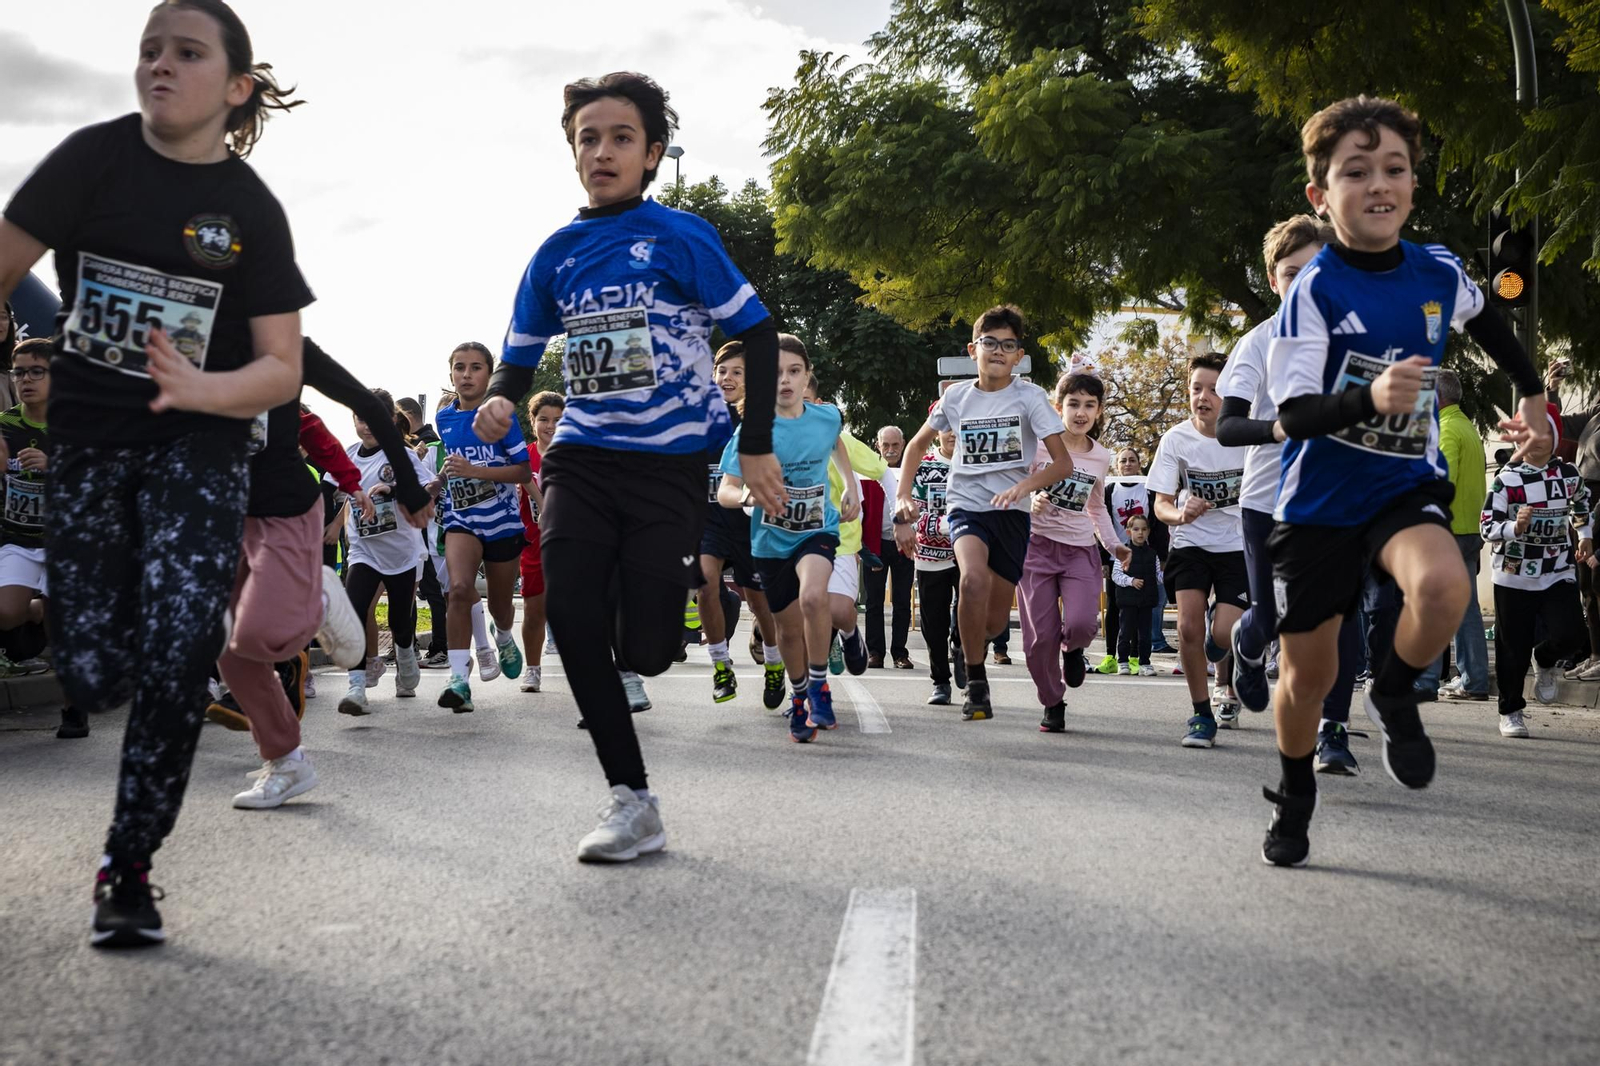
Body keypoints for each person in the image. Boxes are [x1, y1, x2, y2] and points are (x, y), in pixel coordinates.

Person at [0, 0, 321, 946]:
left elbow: (283, 368)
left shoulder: (250, 210)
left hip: (197, 450)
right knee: (96, 672)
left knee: (184, 653)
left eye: (186, 52)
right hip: (89, 449)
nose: (159, 66)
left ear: (237, 87)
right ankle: (101, 641)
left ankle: (129, 867)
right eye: (148, 51)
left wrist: (205, 388)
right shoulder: (91, 160)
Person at [478, 71, 784, 862]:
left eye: (621, 138)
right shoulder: (556, 254)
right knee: (571, 609)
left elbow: (756, 332)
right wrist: (503, 401)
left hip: (668, 466)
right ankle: (631, 798)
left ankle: (637, 608)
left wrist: (753, 442)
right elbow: (519, 355)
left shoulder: (682, 236)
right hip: (581, 457)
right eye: (588, 138)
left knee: (646, 650)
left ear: (651, 154)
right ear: (573, 151)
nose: (602, 152)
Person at [1261, 95, 1550, 867]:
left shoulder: (1437, 270)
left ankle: (1392, 690)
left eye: (1394, 168)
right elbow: (1294, 413)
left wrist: (1531, 394)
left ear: (1413, 185)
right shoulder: (1314, 289)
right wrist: (1370, 398)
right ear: (1321, 195)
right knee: (1309, 675)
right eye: (1356, 172)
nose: (1379, 184)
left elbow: (1486, 322)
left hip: (1400, 486)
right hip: (1319, 502)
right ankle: (1295, 791)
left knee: (1446, 586)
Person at [1215, 215, 1364, 776]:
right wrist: (1281, 428)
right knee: (1275, 615)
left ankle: (1334, 732)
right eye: (1291, 273)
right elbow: (1228, 427)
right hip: (1269, 501)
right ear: (1273, 281)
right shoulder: (1258, 343)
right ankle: (1250, 640)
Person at [895, 305, 1071, 721]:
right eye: (990, 343)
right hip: (966, 505)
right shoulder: (956, 397)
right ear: (973, 349)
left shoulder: (1029, 398)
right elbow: (916, 446)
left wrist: (1024, 486)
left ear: (1018, 356)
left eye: (1008, 345)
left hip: (1011, 513)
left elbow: (1063, 464)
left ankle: (967, 643)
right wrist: (902, 497)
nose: (998, 351)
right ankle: (976, 682)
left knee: (993, 622)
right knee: (972, 579)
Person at [718, 344, 857, 741]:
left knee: (814, 597)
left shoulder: (827, 417)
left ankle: (819, 686)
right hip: (770, 541)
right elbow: (726, 489)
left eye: (794, 371)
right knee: (788, 630)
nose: (785, 380)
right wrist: (748, 497)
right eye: (776, 372)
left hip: (817, 528)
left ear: (806, 375)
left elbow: (835, 442)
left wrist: (850, 486)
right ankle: (799, 696)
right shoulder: (753, 432)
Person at [1019, 373, 1129, 733]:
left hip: (1079, 550)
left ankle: (1074, 650)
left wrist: (1113, 544)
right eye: (1073, 404)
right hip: (1035, 549)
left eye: (1089, 405)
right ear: (1058, 407)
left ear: (1098, 411)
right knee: (1039, 640)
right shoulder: (1036, 447)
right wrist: (1029, 500)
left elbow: (1096, 507)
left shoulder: (1101, 456)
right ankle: (1052, 701)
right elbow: (1014, 487)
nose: (1081, 413)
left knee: (1082, 623)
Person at [1148, 353, 1249, 745]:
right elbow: (1160, 504)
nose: (1203, 397)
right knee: (1188, 627)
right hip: (1191, 543)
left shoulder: (1247, 437)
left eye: (1214, 390)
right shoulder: (1176, 439)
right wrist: (1180, 514)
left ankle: (1218, 644)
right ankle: (1201, 715)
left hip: (1237, 545)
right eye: (1196, 388)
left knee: (1222, 633)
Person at [436, 342, 529, 712]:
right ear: (451, 374)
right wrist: (437, 483)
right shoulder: (444, 418)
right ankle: (459, 678)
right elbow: (452, 465)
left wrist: (476, 471)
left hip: (502, 522)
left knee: (501, 607)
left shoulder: (501, 418)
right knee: (458, 589)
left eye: (476, 367)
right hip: (461, 518)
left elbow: (522, 471)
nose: (466, 374)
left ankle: (503, 635)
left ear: (489, 375)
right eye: (460, 367)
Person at [337, 388, 439, 715]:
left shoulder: (402, 455)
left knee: (399, 619)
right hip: (364, 550)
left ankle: (405, 654)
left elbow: (429, 488)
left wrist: (393, 490)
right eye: (360, 419)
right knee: (354, 610)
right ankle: (356, 687)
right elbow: (328, 491)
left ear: (391, 420)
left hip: (401, 552)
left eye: (374, 419)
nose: (366, 426)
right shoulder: (348, 456)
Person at [696, 342, 785, 707]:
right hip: (709, 521)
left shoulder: (763, 420)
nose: (727, 378)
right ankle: (721, 666)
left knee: (760, 603)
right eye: (722, 371)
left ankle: (774, 664)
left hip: (752, 524)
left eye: (737, 372)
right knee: (705, 584)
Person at [1482, 445, 1590, 736]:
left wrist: (1584, 534)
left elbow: (1581, 501)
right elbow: (1487, 526)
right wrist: (1514, 527)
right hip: (1513, 574)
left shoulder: (1568, 474)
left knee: (1572, 634)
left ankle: (1544, 658)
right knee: (1512, 647)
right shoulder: (1507, 479)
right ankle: (1510, 711)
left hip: (1557, 569)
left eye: (1544, 431)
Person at [0, 339, 74, 732]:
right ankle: (34, 608)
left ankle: (73, 709)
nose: (25, 379)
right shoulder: (5, 425)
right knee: (6, 613)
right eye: (19, 372)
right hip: (19, 539)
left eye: (36, 371)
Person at [1420, 370, 1492, 700]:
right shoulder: (1466, 427)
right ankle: (1474, 679)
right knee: (1465, 609)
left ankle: (1426, 680)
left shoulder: (1446, 429)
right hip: (1469, 529)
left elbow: (1442, 481)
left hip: (1447, 530)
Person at [910, 417, 962, 703]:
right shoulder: (922, 466)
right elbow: (913, 511)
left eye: (958, 426)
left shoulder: (977, 464)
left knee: (971, 610)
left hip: (970, 552)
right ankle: (941, 681)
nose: (952, 433)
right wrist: (947, 525)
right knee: (934, 622)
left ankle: (962, 648)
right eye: (946, 427)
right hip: (930, 555)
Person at [518, 391, 561, 693]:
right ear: (532, 421)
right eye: (544, 419)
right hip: (533, 545)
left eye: (558, 420)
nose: (551, 426)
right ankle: (532, 670)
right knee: (534, 613)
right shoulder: (522, 457)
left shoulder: (576, 456)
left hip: (570, 546)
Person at [865, 423, 914, 669]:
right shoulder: (867, 472)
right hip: (875, 544)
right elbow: (860, 510)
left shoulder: (912, 470)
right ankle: (875, 652)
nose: (891, 449)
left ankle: (900, 653)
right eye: (886, 445)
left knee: (902, 601)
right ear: (878, 446)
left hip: (905, 545)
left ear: (903, 445)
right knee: (873, 602)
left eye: (895, 444)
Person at [1110, 516, 1162, 675]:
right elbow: (1116, 575)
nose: (1140, 533)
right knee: (1125, 632)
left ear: (1149, 532)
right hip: (1128, 600)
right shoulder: (1123, 553)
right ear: (1128, 532)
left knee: (1145, 634)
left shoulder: (1153, 554)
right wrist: (1131, 581)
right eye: (1136, 529)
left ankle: (1145, 663)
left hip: (1147, 600)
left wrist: (1168, 576)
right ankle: (1123, 661)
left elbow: (1157, 576)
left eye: (1144, 529)